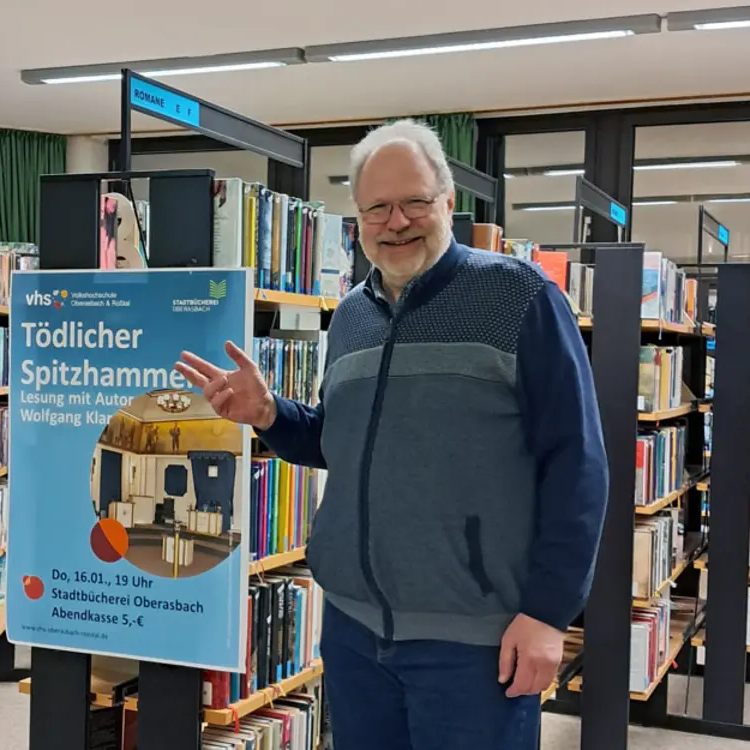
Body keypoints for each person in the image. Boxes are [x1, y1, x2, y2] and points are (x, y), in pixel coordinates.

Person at [174, 119, 608, 750]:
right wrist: (270, 414)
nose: (396, 221)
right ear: (357, 218)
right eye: (377, 207)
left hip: (475, 642)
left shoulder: (520, 296)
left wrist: (548, 614)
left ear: (449, 202)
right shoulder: (352, 315)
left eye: (415, 202)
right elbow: (340, 441)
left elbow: (579, 465)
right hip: (353, 634)